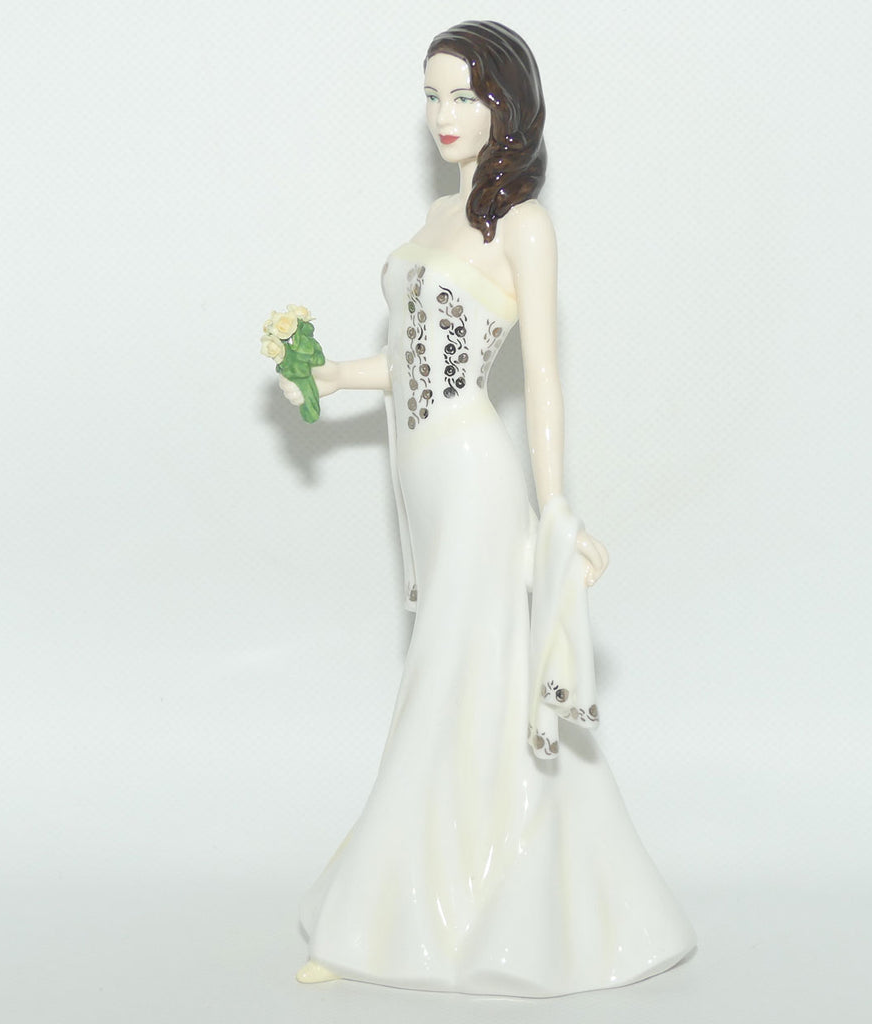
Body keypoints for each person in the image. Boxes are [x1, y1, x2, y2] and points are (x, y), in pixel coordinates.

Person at [279, 21, 695, 996]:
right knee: (463, 679)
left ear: (507, 106)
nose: (444, 115)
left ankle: (388, 915)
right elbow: (413, 362)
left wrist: (556, 512)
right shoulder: (436, 213)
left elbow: (540, 375)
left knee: (448, 675)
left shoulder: (525, 224)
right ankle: (426, 893)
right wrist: (329, 374)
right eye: (433, 95)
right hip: (423, 484)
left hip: (474, 477)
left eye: (465, 96)